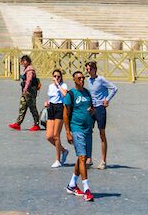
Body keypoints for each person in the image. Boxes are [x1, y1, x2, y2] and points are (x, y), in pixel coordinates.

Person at [62, 70, 96, 201]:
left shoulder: (87, 93)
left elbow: (91, 109)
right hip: (77, 129)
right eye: (80, 78)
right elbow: (65, 114)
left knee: (83, 157)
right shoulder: (71, 94)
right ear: (74, 80)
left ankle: (71, 185)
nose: (82, 80)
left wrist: (92, 111)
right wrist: (68, 132)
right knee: (82, 157)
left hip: (88, 129)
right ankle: (87, 189)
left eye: (83, 78)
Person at [83, 60, 118, 171]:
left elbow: (114, 88)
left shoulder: (101, 79)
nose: (88, 71)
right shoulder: (88, 80)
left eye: (90, 69)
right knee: (88, 133)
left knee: (101, 133)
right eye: (87, 69)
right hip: (91, 108)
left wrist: (107, 100)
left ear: (95, 69)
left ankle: (103, 160)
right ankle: (89, 158)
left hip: (100, 108)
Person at [10, 54, 43, 131]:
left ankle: (36, 124)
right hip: (25, 92)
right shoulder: (26, 69)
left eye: (25, 61)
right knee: (22, 106)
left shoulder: (30, 70)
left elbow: (29, 80)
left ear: (28, 61)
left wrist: (25, 88)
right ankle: (18, 124)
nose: (23, 62)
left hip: (30, 92)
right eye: (22, 61)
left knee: (32, 108)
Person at [44, 68, 69, 167]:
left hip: (60, 107)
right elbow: (51, 98)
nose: (56, 78)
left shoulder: (63, 85)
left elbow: (65, 95)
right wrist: (47, 102)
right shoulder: (50, 86)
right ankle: (64, 150)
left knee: (56, 135)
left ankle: (57, 160)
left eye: (58, 76)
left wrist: (58, 85)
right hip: (51, 108)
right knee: (49, 136)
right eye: (55, 76)